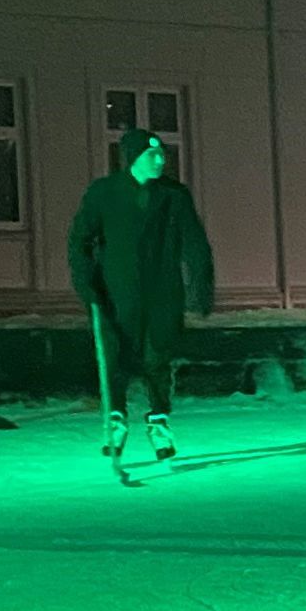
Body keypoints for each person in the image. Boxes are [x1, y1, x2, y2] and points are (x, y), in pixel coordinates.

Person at [67, 128, 214, 465]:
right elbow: (79, 241)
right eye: (152, 155)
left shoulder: (174, 195)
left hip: (162, 293)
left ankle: (159, 419)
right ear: (133, 158)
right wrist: (87, 285)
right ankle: (116, 417)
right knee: (115, 357)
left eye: (162, 154)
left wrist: (201, 288)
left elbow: (195, 243)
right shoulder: (104, 193)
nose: (160, 160)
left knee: (157, 358)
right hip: (115, 293)